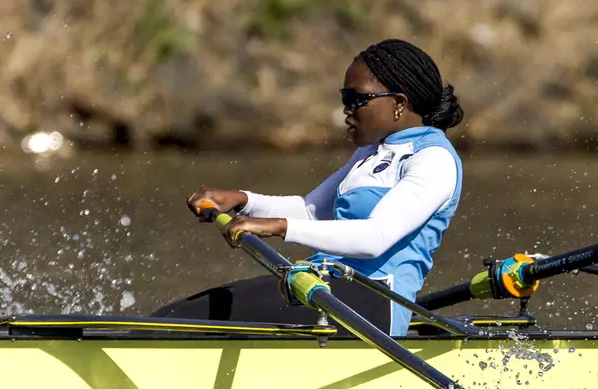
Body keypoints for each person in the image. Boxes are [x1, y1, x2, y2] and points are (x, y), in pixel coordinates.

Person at [160, 39, 465, 336]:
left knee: (186, 322)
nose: (346, 110)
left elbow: (376, 237)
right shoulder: (371, 152)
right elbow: (311, 210)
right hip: (322, 286)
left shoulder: (433, 159)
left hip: (373, 305)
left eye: (356, 99)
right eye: (343, 99)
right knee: (180, 315)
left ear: (399, 103)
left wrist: (278, 227)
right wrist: (244, 201)